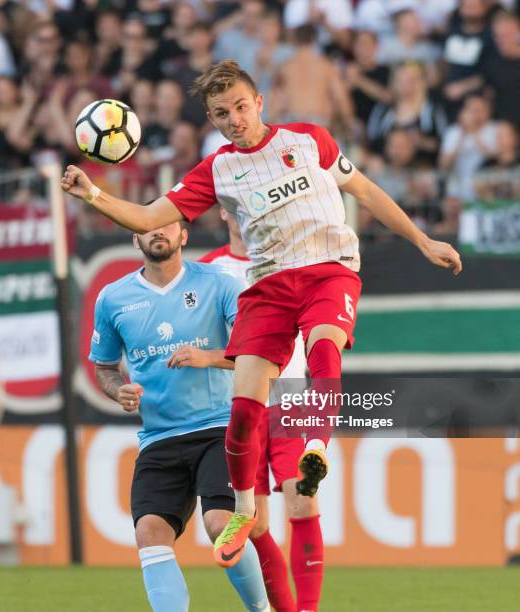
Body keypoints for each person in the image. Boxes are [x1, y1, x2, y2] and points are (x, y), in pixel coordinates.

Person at [62, 60, 462, 580]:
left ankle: (317, 445)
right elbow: (146, 217)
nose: (234, 120)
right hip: (269, 286)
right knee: (245, 408)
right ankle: (245, 508)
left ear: (261, 103)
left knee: (324, 348)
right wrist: (93, 194)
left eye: (241, 107)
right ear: (211, 119)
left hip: (327, 271)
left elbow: (364, 191)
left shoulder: (311, 140)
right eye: (220, 114)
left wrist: (423, 240)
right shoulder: (217, 171)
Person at [88, 220, 269, 612]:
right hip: (158, 437)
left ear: (183, 236)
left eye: (166, 225)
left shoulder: (218, 283)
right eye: (146, 226)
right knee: (149, 532)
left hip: (219, 427)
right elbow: (103, 366)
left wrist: (208, 357)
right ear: (134, 237)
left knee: (222, 524)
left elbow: (254, 351)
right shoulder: (112, 298)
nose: (157, 232)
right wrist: (116, 388)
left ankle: (262, 610)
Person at [200, 208, 322, 611]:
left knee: (303, 498)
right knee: (255, 523)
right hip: (239, 403)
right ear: (223, 210)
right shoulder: (208, 272)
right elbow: (199, 343)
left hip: (289, 395)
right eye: (235, 207)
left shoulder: (294, 259)